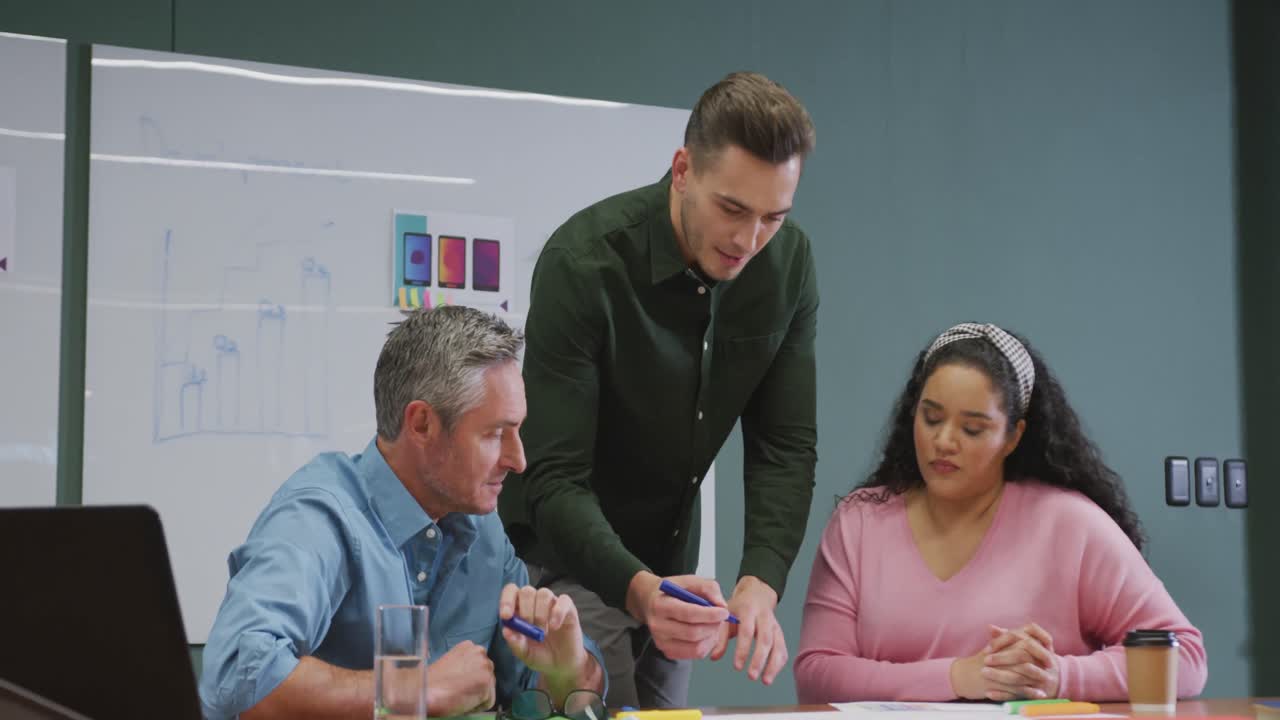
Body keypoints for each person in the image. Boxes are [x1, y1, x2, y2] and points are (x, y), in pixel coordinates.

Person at [498, 71, 818, 708]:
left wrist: (760, 583)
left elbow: (784, 448)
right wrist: (638, 590)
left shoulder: (788, 267)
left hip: (670, 567)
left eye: (772, 218)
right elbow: (554, 477)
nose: (748, 241)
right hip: (565, 560)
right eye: (732, 208)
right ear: (681, 170)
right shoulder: (584, 263)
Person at [200, 306, 605, 719]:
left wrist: (567, 670)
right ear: (423, 424)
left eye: (517, 432)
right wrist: (416, 690)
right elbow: (236, 678)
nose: (518, 460)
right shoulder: (319, 516)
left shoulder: (483, 529)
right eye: (494, 434)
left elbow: (542, 695)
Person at [794, 323, 1208, 703]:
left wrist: (1058, 676)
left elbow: (1186, 658)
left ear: (1013, 436)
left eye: (972, 429)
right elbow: (817, 674)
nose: (944, 441)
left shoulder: (1069, 523)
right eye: (931, 417)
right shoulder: (859, 521)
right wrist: (959, 677)